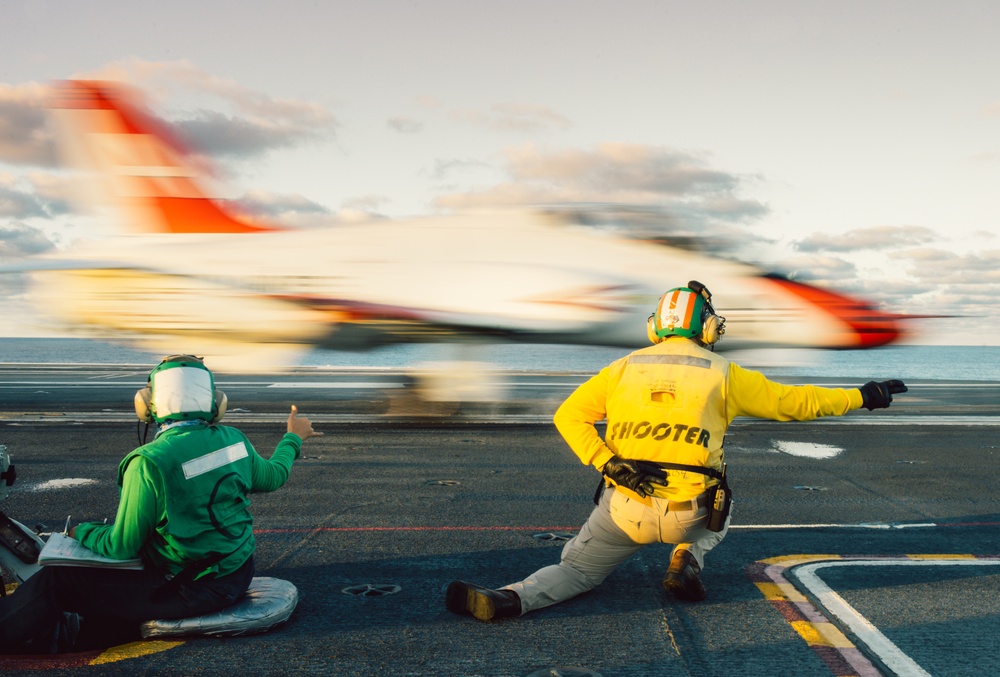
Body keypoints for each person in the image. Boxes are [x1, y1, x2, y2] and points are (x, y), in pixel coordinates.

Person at [446, 281, 907, 621]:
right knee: (726, 502)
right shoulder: (724, 373)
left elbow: (567, 416)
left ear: (655, 327)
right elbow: (798, 403)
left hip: (625, 509)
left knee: (575, 572)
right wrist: (863, 395)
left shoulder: (621, 368)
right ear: (706, 325)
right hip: (691, 511)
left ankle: (510, 599)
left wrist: (608, 462)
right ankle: (687, 556)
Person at [0, 354, 322, 653]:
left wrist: (82, 532)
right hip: (237, 573)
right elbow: (275, 475)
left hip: (190, 586)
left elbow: (122, 546)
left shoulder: (149, 463)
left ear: (147, 408)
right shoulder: (235, 442)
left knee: (57, 580)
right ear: (215, 404)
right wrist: (293, 436)